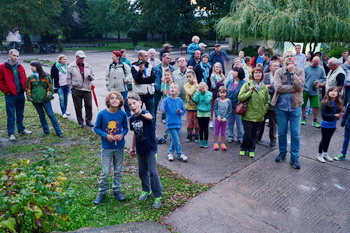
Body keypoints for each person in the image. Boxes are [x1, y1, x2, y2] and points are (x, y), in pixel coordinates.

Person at [128, 93, 163, 208]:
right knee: (142, 172)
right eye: (130, 105)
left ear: (140, 103)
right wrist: (133, 148)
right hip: (140, 149)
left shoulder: (145, 113)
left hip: (151, 149)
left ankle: (158, 195)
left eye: (134, 103)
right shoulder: (132, 119)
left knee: (153, 172)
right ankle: (146, 190)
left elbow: (150, 117)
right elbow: (135, 133)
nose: (132, 106)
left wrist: (144, 113)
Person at [93, 91, 128, 204]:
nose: (114, 100)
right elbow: (96, 128)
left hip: (119, 147)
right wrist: (106, 135)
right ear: (108, 101)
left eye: (117, 98)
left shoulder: (122, 114)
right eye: (112, 98)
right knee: (105, 172)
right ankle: (102, 192)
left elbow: (126, 128)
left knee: (118, 170)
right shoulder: (102, 114)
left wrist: (122, 134)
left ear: (120, 101)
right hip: (107, 147)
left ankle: (116, 190)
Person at [271, 51, 305, 169]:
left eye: (291, 56)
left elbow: (300, 86)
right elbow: (278, 88)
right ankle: (282, 152)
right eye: (287, 56)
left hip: (295, 106)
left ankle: (295, 158)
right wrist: (294, 88)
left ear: (295, 59)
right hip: (281, 106)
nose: (289, 58)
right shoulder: (278, 72)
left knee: (296, 134)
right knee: (281, 132)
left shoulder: (300, 71)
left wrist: (292, 73)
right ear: (283, 60)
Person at [0, 49, 31, 141]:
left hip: (20, 93)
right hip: (10, 94)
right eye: (14, 55)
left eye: (17, 56)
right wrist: (6, 91)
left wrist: (25, 89)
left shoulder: (20, 67)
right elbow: (0, 81)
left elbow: (24, 78)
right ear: (9, 55)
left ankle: (21, 129)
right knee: (11, 114)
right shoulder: (2, 67)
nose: (15, 58)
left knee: (20, 113)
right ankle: (11, 133)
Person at [238, 67, 269, 158]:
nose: (257, 74)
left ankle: (252, 149)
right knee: (247, 133)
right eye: (255, 72)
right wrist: (249, 92)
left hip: (259, 115)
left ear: (262, 75)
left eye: (259, 72)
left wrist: (264, 110)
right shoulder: (247, 85)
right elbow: (240, 98)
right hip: (248, 114)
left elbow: (267, 101)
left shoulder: (264, 87)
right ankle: (244, 148)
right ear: (252, 74)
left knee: (254, 134)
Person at [26, 61, 63, 138]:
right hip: (35, 100)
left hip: (45, 100)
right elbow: (28, 88)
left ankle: (58, 131)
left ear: (37, 67)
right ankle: (46, 131)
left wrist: (48, 96)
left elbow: (50, 87)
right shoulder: (30, 78)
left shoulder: (46, 76)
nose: (31, 67)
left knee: (51, 115)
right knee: (41, 115)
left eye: (33, 66)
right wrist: (29, 97)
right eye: (31, 66)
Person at [67, 50, 94, 128]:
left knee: (89, 105)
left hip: (87, 88)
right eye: (80, 58)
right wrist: (71, 87)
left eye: (83, 58)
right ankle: (80, 122)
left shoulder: (88, 66)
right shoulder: (71, 66)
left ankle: (88, 120)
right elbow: (68, 79)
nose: (82, 59)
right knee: (78, 107)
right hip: (76, 89)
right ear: (76, 57)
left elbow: (93, 76)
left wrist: (91, 77)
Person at [316, 87, 343, 163]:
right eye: (331, 91)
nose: (333, 92)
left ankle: (325, 153)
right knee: (324, 139)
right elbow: (324, 115)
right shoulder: (325, 102)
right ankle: (319, 154)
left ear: (337, 93)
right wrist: (335, 115)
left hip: (333, 124)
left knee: (328, 139)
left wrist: (341, 113)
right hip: (325, 124)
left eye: (335, 91)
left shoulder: (338, 102)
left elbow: (338, 111)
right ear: (328, 93)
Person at [257, 60, 280, 147]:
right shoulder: (265, 76)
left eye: (278, 66)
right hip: (264, 102)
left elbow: (279, 89)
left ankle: (273, 139)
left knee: (273, 122)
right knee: (261, 121)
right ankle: (258, 137)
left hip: (274, 103)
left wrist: (270, 87)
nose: (276, 68)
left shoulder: (280, 77)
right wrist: (271, 88)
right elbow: (262, 88)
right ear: (270, 67)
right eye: (274, 66)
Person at [162, 83, 187, 162]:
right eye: (171, 87)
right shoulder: (166, 100)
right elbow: (162, 109)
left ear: (178, 91)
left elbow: (183, 110)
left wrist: (180, 112)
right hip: (170, 123)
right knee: (176, 140)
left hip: (178, 123)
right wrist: (163, 108)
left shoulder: (180, 100)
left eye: (175, 87)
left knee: (174, 140)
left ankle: (170, 152)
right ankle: (180, 154)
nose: (172, 89)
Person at [301, 56, 326, 127]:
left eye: (317, 64)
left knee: (316, 106)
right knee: (303, 105)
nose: (316, 65)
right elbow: (302, 78)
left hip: (315, 90)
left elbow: (324, 78)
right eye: (315, 63)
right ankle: (304, 118)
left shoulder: (321, 69)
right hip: (305, 89)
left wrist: (319, 82)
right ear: (312, 61)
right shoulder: (306, 68)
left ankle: (315, 120)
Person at [105, 50, 132, 117]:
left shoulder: (123, 65)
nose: (112, 58)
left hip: (122, 88)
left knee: (124, 103)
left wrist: (126, 80)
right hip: (112, 89)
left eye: (113, 56)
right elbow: (106, 76)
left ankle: (128, 116)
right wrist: (108, 84)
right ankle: (115, 116)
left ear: (118, 57)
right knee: (113, 103)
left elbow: (129, 74)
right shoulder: (110, 66)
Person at [131, 50, 155, 118]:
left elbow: (152, 79)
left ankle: (151, 127)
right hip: (139, 94)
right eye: (146, 56)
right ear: (140, 57)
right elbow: (137, 79)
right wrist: (140, 72)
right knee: (138, 113)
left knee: (151, 114)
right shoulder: (134, 67)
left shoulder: (150, 66)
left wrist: (141, 80)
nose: (148, 58)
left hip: (150, 93)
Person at [151, 53, 174, 123]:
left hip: (167, 88)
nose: (169, 60)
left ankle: (165, 118)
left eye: (169, 58)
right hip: (158, 88)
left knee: (167, 103)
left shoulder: (171, 68)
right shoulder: (156, 68)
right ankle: (153, 119)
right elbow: (153, 78)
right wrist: (155, 85)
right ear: (163, 58)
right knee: (154, 104)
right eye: (167, 58)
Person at [226, 66, 246, 144]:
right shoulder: (230, 81)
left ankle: (240, 137)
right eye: (233, 71)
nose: (233, 73)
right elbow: (226, 92)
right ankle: (230, 136)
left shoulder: (244, 83)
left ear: (239, 73)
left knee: (239, 123)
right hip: (230, 105)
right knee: (230, 122)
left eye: (235, 71)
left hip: (239, 106)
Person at [193, 82, 213, 148]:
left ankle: (206, 141)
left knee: (206, 128)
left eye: (204, 86)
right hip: (200, 113)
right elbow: (195, 99)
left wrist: (205, 93)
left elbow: (207, 101)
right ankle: (201, 140)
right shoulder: (198, 93)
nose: (202, 88)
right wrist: (198, 92)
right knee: (201, 128)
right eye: (201, 87)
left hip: (206, 113)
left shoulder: (209, 93)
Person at [157, 69, 174, 144]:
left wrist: (170, 83)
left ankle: (165, 136)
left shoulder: (173, 84)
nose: (166, 76)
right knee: (168, 121)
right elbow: (164, 92)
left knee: (170, 121)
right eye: (165, 75)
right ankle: (169, 136)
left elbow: (171, 92)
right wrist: (164, 83)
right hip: (165, 105)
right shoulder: (163, 84)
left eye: (168, 75)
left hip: (172, 105)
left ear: (171, 76)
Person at [50, 54, 70, 119]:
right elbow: (52, 76)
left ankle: (65, 110)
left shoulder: (66, 66)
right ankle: (63, 112)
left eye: (66, 59)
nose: (65, 61)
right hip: (59, 86)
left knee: (66, 98)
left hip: (66, 85)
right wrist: (52, 85)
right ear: (60, 59)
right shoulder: (55, 66)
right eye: (64, 59)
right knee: (61, 99)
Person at [213, 86, 232, 151]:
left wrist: (225, 117)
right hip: (217, 119)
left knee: (223, 131)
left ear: (226, 93)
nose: (222, 94)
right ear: (218, 93)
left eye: (224, 93)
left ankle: (223, 143)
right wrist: (217, 116)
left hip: (224, 119)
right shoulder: (217, 100)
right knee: (216, 131)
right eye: (220, 92)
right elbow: (215, 109)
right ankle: (215, 143)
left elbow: (230, 111)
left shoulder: (228, 101)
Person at [184, 70, 199, 143]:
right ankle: (189, 134)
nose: (188, 78)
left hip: (196, 108)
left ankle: (196, 134)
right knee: (189, 123)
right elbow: (189, 92)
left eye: (190, 76)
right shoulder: (186, 85)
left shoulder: (198, 86)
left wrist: (196, 85)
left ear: (194, 77)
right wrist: (195, 85)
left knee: (196, 123)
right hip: (189, 108)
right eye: (187, 77)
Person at [210, 62, 225, 127]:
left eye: (219, 67)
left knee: (220, 107)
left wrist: (220, 83)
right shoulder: (213, 75)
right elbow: (213, 86)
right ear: (214, 68)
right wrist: (219, 83)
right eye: (216, 67)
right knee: (213, 107)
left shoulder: (222, 75)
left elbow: (224, 85)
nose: (217, 68)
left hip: (221, 93)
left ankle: (219, 120)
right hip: (215, 93)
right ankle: (211, 120)